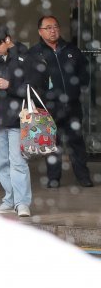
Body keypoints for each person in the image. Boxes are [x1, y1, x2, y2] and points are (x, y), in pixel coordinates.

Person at [28, 15, 94, 188]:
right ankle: (53, 178)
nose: (53, 30)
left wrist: (77, 88)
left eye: (55, 26)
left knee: (77, 143)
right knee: (51, 144)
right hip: (48, 107)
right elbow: (31, 81)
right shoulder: (35, 53)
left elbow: (84, 72)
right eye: (48, 28)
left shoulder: (71, 49)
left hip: (72, 106)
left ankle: (83, 177)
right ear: (40, 32)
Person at [0, 26, 33, 216]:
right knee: (2, 162)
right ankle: (9, 199)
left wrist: (9, 85)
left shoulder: (25, 56)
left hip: (18, 117)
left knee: (18, 162)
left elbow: (33, 88)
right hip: (0, 116)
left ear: (7, 40)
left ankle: (22, 202)